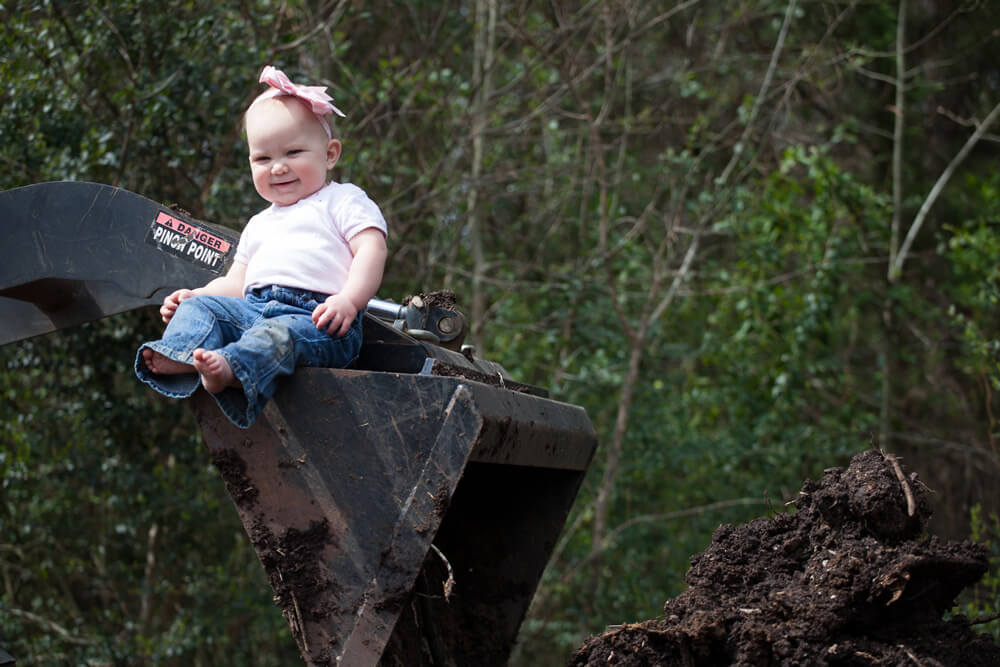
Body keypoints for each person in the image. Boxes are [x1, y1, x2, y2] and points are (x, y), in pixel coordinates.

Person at [135, 65, 388, 428]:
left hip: (318, 321)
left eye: (294, 152)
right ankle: (182, 352)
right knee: (204, 307)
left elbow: (371, 248)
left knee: (276, 335)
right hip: (254, 309)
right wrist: (195, 294)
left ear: (330, 154)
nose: (279, 168)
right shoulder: (259, 223)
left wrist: (350, 299)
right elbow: (238, 283)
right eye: (263, 158)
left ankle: (232, 370)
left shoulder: (342, 200)